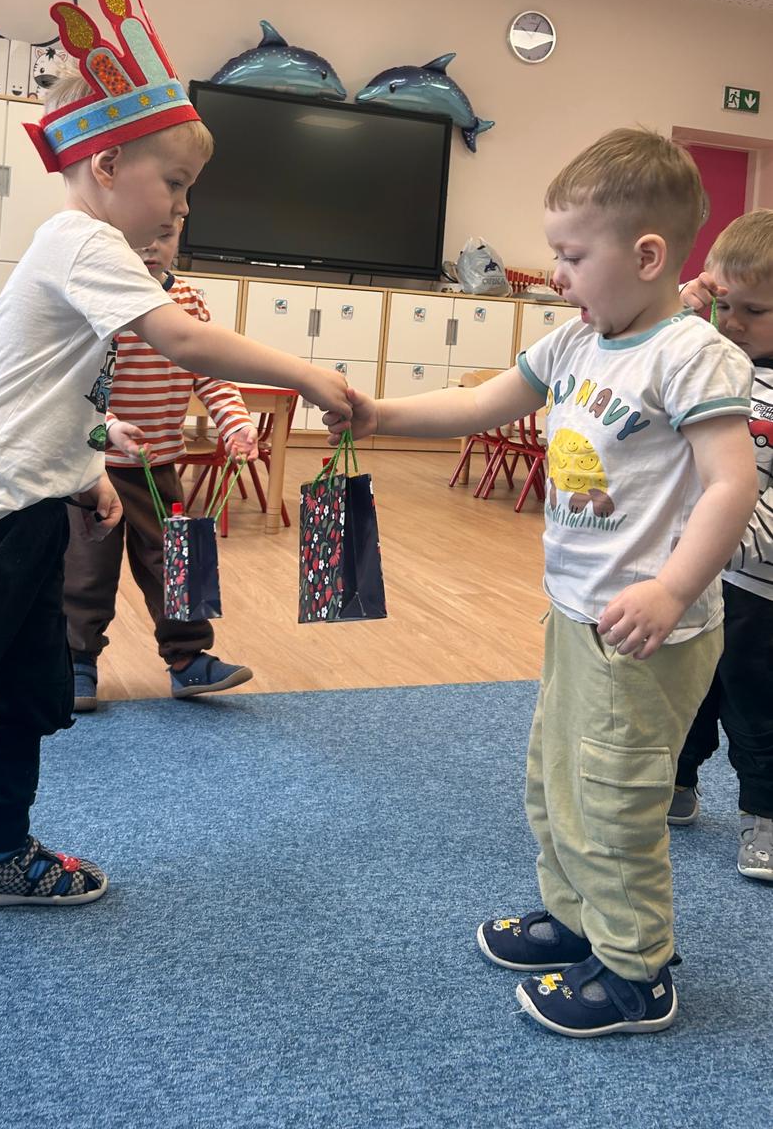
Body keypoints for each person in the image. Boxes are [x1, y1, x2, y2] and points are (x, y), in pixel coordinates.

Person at [0, 0, 349, 910]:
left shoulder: (89, 254)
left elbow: (49, 387)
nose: (181, 206)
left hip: (24, 517)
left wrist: (86, 462)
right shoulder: (80, 240)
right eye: (173, 182)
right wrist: (304, 374)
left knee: (27, 697)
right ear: (106, 166)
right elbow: (181, 337)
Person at [325, 127, 757, 1037]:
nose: (556, 274)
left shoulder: (693, 355)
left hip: (648, 631)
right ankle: (576, 918)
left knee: (613, 795)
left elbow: (731, 485)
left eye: (572, 255)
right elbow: (480, 402)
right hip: (575, 614)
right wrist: (378, 412)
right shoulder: (576, 343)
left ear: (647, 257)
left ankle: (637, 969)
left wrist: (672, 588)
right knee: (555, 778)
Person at [65, 222, 259, 708]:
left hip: (158, 467)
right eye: (138, 237)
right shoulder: (102, 297)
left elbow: (211, 372)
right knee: (87, 569)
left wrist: (235, 423)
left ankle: (188, 658)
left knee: (173, 563)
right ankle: (75, 661)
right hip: (95, 466)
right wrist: (110, 428)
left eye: (166, 236)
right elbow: (75, 386)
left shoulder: (188, 301)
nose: (151, 247)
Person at [667, 210, 773, 883]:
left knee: (756, 703)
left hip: (760, 585)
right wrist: (685, 309)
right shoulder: (711, 362)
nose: (731, 322)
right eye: (724, 304)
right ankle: (677, 783)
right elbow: (654, 354)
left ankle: (764, 814)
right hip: (701, 573)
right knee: (688, 689)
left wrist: (729, 540)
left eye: (753, 311)